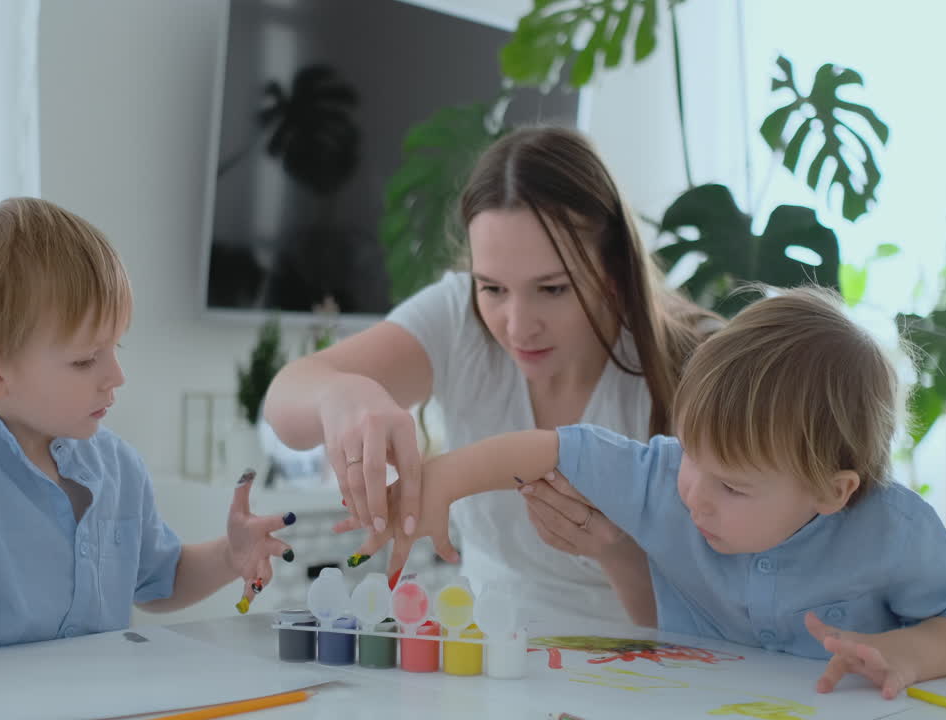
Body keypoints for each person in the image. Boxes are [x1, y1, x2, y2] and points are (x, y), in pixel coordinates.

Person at [358, 286, 946, 698]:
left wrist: (906, 653)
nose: (694, 494)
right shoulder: (666, 479)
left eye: (732, 486)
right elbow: (554, 448)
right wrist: (441, 481)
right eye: (691, 453)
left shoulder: (888, 527)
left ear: (832, 492)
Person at [264, 126, 720, 624]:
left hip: (644, 669)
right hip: (485, 657)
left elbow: (720, 615)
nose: (518, 327)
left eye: (552, 289)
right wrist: (340, 393)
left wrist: (618, 555)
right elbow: (286, 408)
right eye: (493, 288)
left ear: (612, 272)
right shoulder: (459, 315)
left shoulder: (695, 363)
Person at [0, 197, 294, 664]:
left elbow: (158, 581)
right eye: (85, 359)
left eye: (115, 347)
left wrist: (228, 556)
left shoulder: (117, 465)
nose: (116, 375)